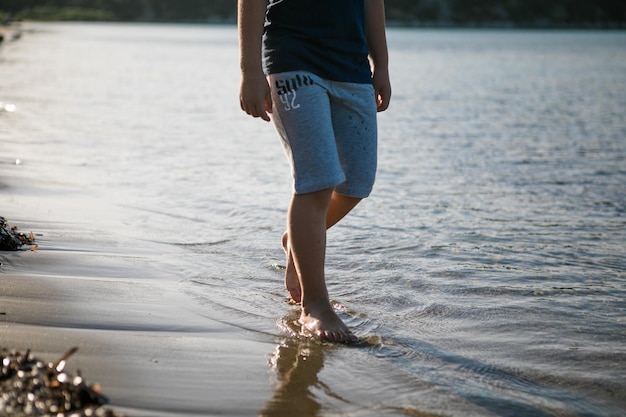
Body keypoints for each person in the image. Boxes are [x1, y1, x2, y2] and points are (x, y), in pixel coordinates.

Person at [238, 0, 391, 343]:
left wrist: (381, 65)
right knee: (317, 181)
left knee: (356, 184)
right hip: (294, 60)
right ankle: (315, 306)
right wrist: (250, 71)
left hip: (352, 69)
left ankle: (296, 240)